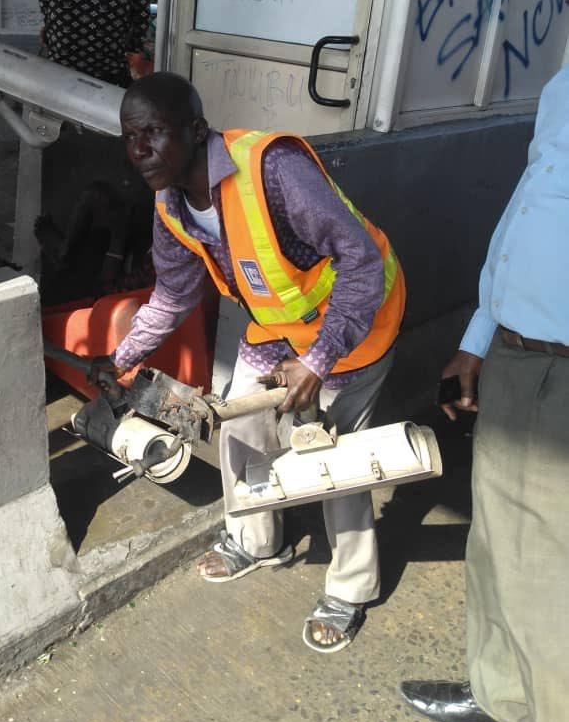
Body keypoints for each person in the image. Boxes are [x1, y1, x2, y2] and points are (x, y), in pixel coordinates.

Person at [91, 73, 406, 652]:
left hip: (357, 318)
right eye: (129, 135)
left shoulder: (272, 170)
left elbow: (359, 260)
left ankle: (351, 587)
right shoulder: (171, 206)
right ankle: (258, 540)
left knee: (336, 456)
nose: (139, 150)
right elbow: (173, 294)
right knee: (239, 422)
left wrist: (319, 357)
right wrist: (124, 357)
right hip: (280, 325)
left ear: (196, 131)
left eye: (154, 133)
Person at [400, 0, 569, 722]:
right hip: (517, 351)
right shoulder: (563, 87)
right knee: (498, 538)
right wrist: (476, 337)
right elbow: (525, 212)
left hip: (564, 369)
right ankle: (501, 692)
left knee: (549, 574)